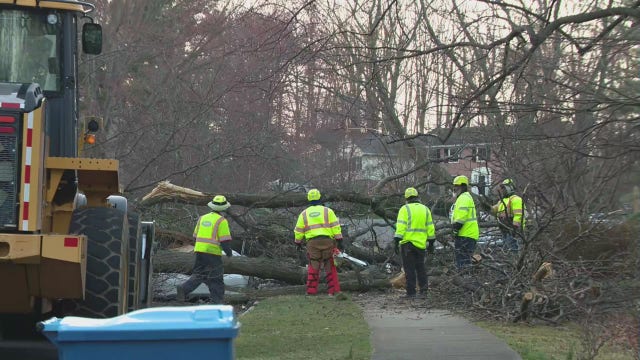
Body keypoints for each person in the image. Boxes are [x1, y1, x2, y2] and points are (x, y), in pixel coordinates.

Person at [176, 195, 233, 304]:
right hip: (212, 253)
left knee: (199, 274)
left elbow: (195, 236)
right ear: (224, 208)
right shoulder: (222, 221)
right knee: (216, 278)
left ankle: (183, 289)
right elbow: (225, 241)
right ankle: (218, 302)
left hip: (199, 251)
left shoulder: (202, 218)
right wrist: (229, 253)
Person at [294, 189, 344, 296]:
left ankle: (311, 292)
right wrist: (340, 240)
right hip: (328, 241)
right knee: (329, 265)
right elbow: (336, 226)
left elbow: (298, 230)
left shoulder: (304, 214)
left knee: (313, 266)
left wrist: (297, 242)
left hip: (312, 243)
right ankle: (333, 291)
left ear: (308, 199)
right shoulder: (328, 211)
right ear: (320, 198)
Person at [393, 187, 436, 299]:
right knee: (420, 268)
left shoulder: (405, 209)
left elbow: (401, 226)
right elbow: (430, 227)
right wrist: (431, 243)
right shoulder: (425, 209)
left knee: (409, 269)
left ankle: (411, 293)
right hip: (421, 245)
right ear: (418, 197)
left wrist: (396, 240)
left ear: (406, 198)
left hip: (407, 244)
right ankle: (423, 291)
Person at [450, 175, 479, 270]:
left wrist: (454, 231)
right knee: (465, 261)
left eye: (457, 186)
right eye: (454, 186)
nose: (455, 188)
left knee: (463, 263)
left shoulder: (463, 198)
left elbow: (460, 220)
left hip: (465, 235)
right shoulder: (464, 198)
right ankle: (466, 280)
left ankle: (465, 282)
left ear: (463, 186)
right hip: (467, 234)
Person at [492, 178, 525, 252]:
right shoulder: (502, 201)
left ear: (510, 187)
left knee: (513, 250)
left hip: (514, 231)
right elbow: (494, 210)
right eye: (502, 188)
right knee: (507, 250)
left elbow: (519, 215)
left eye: (504, 188)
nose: (503, 190)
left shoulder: (516, 199)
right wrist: (486, 206)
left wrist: (514, 228)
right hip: (505, 230)